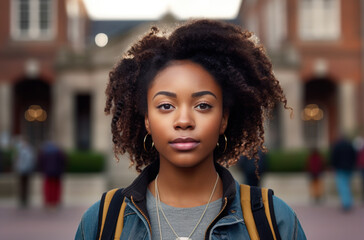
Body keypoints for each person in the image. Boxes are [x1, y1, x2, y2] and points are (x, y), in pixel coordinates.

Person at [75, 19, 306, 239]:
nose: (184, 120)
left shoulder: (274, 220)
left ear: (223, 119)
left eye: (202, 105)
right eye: (166, 106)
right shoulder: (102, 221)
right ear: (147, 120)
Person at [331, 136, 357, 211]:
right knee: (347, 185)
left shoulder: (337, 146)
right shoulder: (350, 145)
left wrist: (334, 166)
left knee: (342, 186)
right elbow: (354, 156)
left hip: (340, 168)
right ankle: (348, 202)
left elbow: (334, 157)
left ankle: (346, 203)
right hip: (349, 168)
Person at [38, 141, 66, 208]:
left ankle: (48, 201)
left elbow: (40, 162)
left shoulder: (44, 152)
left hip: (47, 173)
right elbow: (63, 161)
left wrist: (42, 170)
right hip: (57, 173)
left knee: (48, 188)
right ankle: (55, 202)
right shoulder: (59, 152)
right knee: (56, 188)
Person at [14, 137, 35, 207]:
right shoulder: (29, 150)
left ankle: (24, 199)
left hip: (23, 170)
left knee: (24, 186)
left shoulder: (22, 151)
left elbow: (17, 160)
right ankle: (23, 199)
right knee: (24, 186)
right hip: (24, 170)